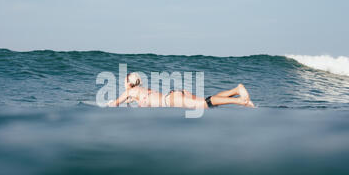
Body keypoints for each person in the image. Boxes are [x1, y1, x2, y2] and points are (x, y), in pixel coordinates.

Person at [108, 72, 255, 108]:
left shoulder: (129, 92)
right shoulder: (139, 90)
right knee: (207, 102)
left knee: (205, 105)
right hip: (174, 94)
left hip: (172, 99)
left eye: (124, 81)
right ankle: (236, 90)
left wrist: (109, 104)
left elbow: (114, 104)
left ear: (128, 83)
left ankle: (240, 101)